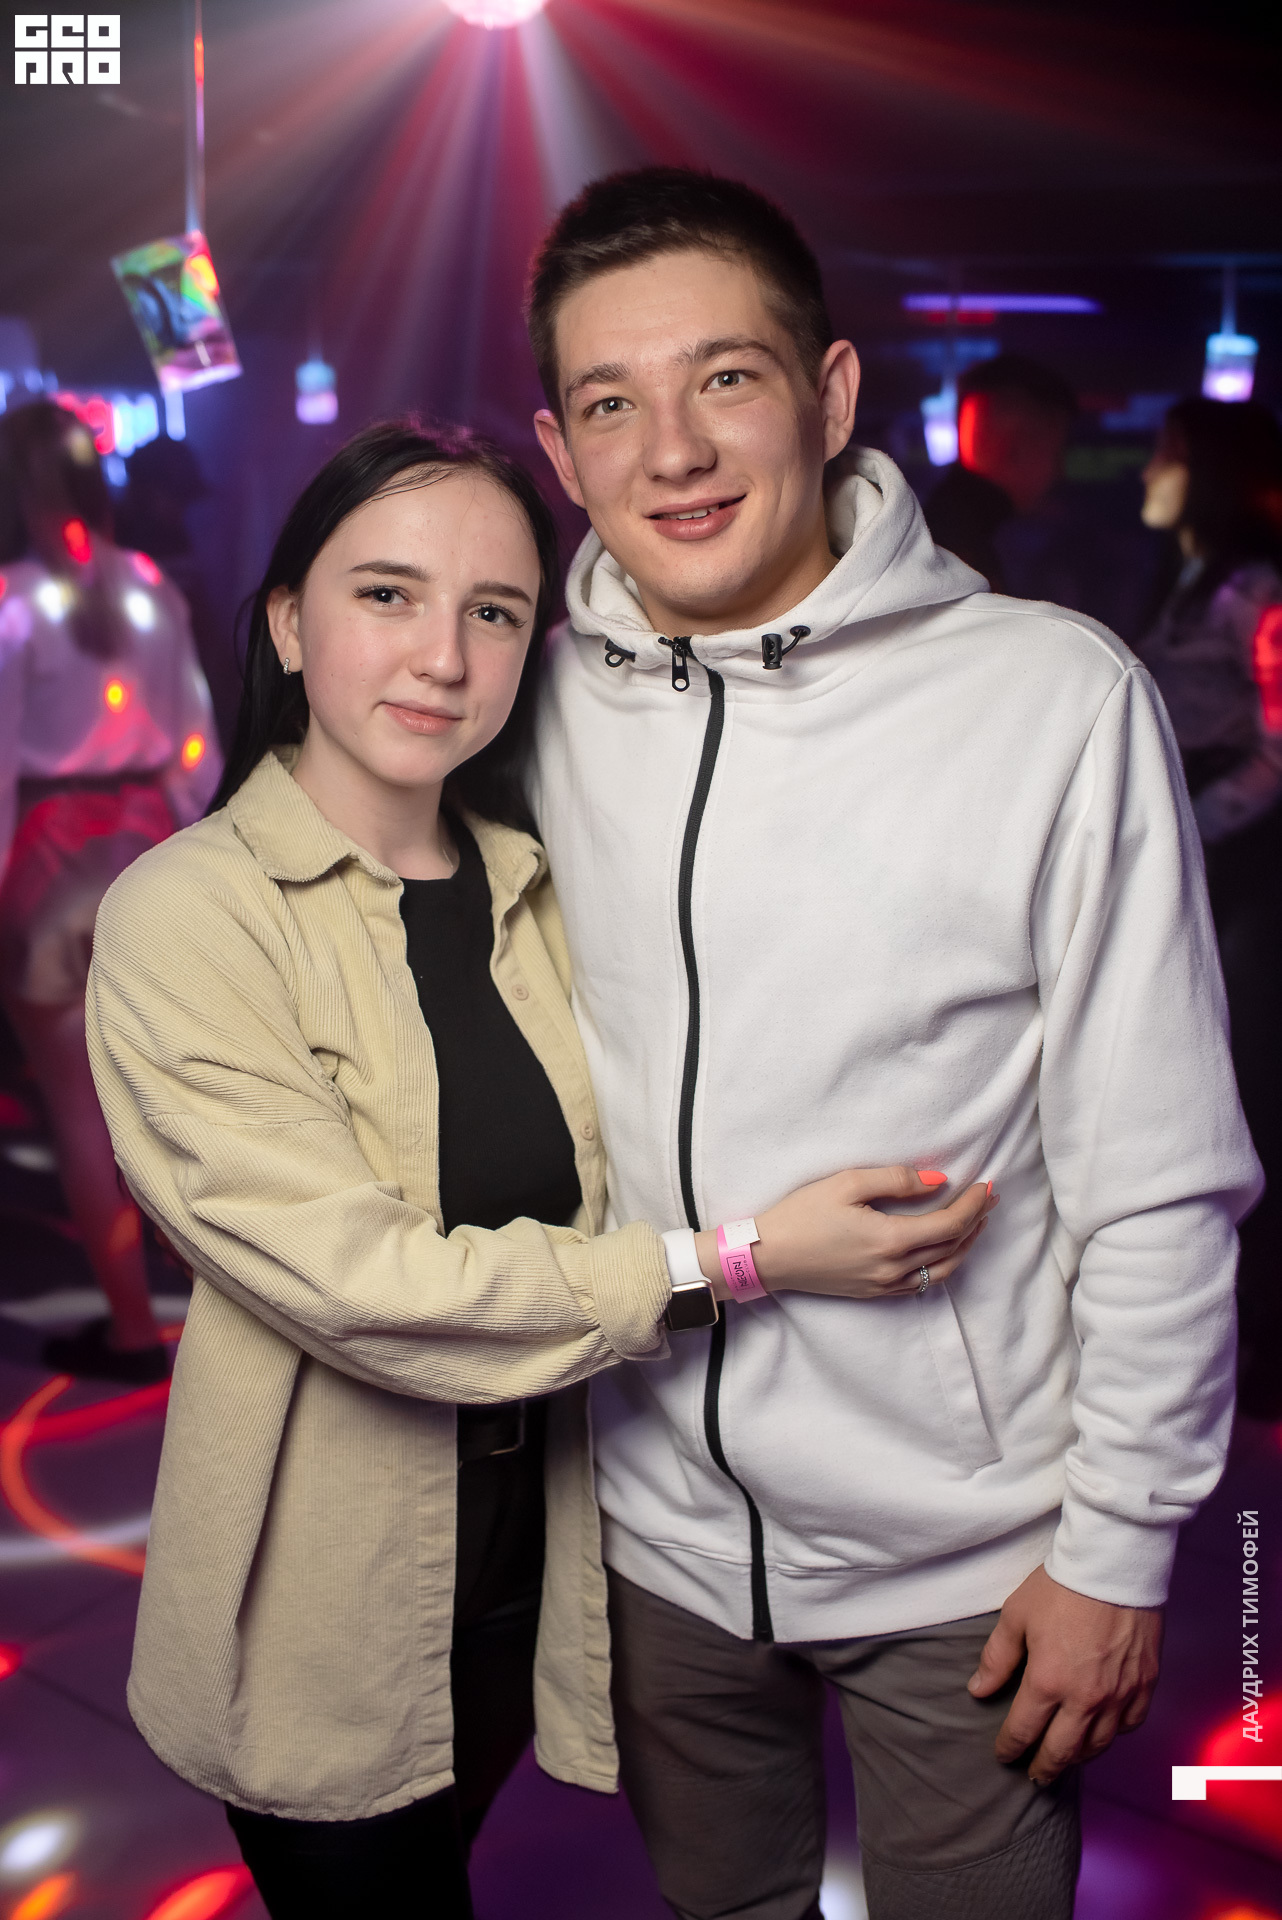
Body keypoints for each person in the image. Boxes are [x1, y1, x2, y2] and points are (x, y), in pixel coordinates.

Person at [85, 419, 994, 1920]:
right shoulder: (188, 918)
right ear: (288, 624)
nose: (442, 656)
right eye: (387, 594)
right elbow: (363, 1285)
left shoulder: (539, 885)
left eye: (494, 611)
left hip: (546, 1569)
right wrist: (744, 1258)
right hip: (325, 1604)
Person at [526, 168, 1259, 1920]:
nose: (673, 451)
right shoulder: (526, 710)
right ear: (559, 453)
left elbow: (1157, 1176)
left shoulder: (1047, 696)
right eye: (611, 404)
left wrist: (1117, 1549)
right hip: (649, 1542)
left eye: (724, 378)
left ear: (830, 394)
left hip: (969, 1564)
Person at [0, 399, 221, 1383]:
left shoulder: (10, 605)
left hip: (48, 859)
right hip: (147, 846)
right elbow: (196, 748)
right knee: (181, 1099)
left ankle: (134, 1330)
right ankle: (237, 1316)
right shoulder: (149, 590)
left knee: (82, 1112)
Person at [1135, 396, 1282, 1418]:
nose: (1149, 471)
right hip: (1198, 850)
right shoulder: (1187, 580)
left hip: (1243, 865)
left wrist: (1185, 827)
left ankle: (1259, 1345)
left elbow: (1277, 747)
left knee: (1244, 1089)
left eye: (1168, 453)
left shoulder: (1257, 589)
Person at [924, 352, 1076, 591]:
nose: (1059, 472)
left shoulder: (940, 531)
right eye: (1056, 452)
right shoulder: (967, 556)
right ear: (1017, 448)